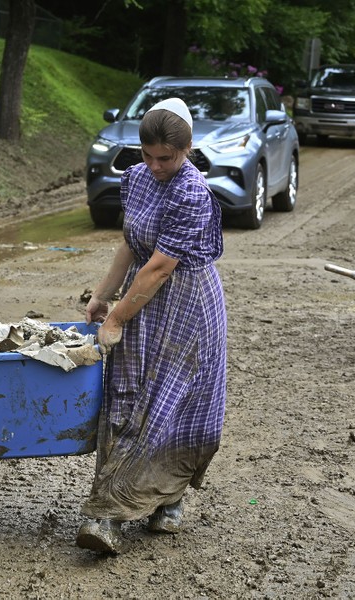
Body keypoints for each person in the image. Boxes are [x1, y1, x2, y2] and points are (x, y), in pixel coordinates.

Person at [76, 97, 227, 554]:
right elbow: (131, 246)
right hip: (144, 298)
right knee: (126, 397)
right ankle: (110, 513)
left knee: (174, 402)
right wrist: (103, 295)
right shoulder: (137, 178)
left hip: (188, 305)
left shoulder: (192, 191)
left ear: (188, 149)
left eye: (168, 158)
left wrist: (118, 318)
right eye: (149, 155)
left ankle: (168, 498)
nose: (157, 166)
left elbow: (161, 266)